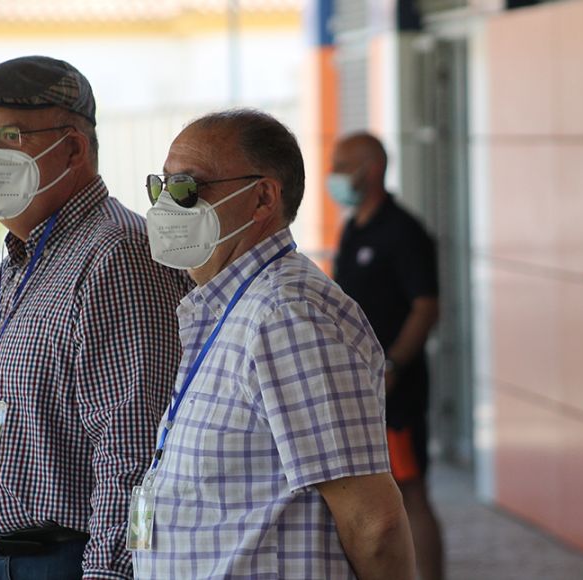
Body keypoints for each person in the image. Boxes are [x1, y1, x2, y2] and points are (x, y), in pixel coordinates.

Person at [130, 109, 415, 579]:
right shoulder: (232, 308)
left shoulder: (287, 314)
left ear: (262, 197)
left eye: (186, 188)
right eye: (160, 188)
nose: (165, 207)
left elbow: (374, 522)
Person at [0, 56, 191, 580]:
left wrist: (109, 573)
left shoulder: (117, 255)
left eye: (8, 136)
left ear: (73, 147)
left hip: (60, 562)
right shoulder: (22, 257)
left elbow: (134, 448)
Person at [328, 131, 445, 580]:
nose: (334, 175)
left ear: (370, 169)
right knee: (375, 493)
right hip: (360, 391)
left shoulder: (403, 231)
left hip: (396, 392)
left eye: (342, 164)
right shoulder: (354, 227)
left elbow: (426, 306)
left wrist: (393, 365)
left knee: (410, 491)